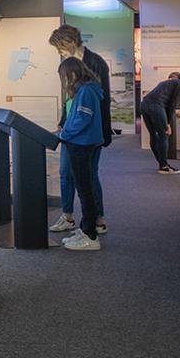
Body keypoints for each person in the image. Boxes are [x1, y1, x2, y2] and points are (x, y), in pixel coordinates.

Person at [48, 24, 111, 235]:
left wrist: (103, 133)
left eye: (60, 48)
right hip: (70, 132)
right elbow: (69, 99)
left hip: (87, 136)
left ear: (71, 43)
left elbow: (103, 101)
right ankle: (68, 216)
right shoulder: (69, 64)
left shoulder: (96, 63)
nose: (59, 53)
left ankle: (97, 220)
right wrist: (62, 123)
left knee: (89, 177)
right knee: (65, 173)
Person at [56, 57, 104, 251]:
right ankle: (86, 229)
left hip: (81, 144)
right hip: (86, 142)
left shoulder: (85, 91)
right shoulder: (88, 89)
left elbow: (83, 118)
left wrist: (64, 133)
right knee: (86, 189)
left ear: (72, 73)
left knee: (85, 191)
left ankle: (91, 237)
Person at [139, 68, 180, 174]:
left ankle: (162, 164)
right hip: (156, 106)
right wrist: (168, 123)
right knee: (164, 135)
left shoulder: (173, 82)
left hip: (144, 104)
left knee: (154, 135)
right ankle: (163, 166)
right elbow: (173, 104)